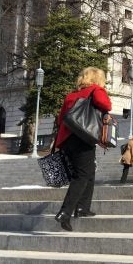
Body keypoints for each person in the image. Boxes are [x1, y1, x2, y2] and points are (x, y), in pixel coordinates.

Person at [54, 66, 112, 231]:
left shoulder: (71, 95)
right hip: (83, 138)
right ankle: (65, 212)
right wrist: (101, 90)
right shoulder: (95, 90)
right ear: (97, 79)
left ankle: (82, 208)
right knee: (81, 175)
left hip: (67, 139)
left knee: (89, 172)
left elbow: (60, 119)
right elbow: (106, 105)